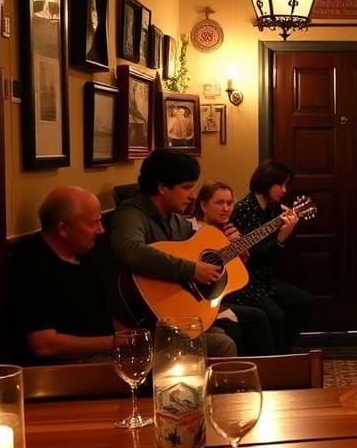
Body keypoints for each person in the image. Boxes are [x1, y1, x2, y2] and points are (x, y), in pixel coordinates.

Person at [110, 148, 236, 357]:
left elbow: (198, 250)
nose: (192, 196)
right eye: (186, 188)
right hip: (146, 319)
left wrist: (230, 250)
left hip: (181, 309)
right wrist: (191, 269)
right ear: (162, 187)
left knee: (247, 322)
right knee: (223, 343)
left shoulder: (176, 220)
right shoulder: (130, 213)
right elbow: (130, 250)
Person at [11, 186, 115, 363]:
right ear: (63, 229)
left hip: (102, 355)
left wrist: (134, 337)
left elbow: (106, 319)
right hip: (65, 370)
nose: (101, 230)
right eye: (93, 223)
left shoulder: (85, 255)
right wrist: (113, 343)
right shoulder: (32, 264)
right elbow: (44, 345)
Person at [228, 160, 314, 352]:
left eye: (286, 184)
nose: (284, 190)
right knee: (276, 315)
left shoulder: (272, 209)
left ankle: (282, 352)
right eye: (281, 184)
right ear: (267, 182)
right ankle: (274, 359)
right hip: (245, 282)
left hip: (264, 279)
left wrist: (286, 229)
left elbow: (271, 251)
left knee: (304, 301)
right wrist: (281, 238)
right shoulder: (244, 209)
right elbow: (250, 256)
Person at [192, 181, 280, 356]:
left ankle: (270, 369)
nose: (226, 208)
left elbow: (236, 272)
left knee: (261, 316)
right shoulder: (190, 230)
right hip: (197, 297)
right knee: (255, 318)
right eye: (219, 203)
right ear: (203, 205)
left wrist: (238, 253)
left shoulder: (229, 230)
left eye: (229, 203)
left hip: (220, 293)